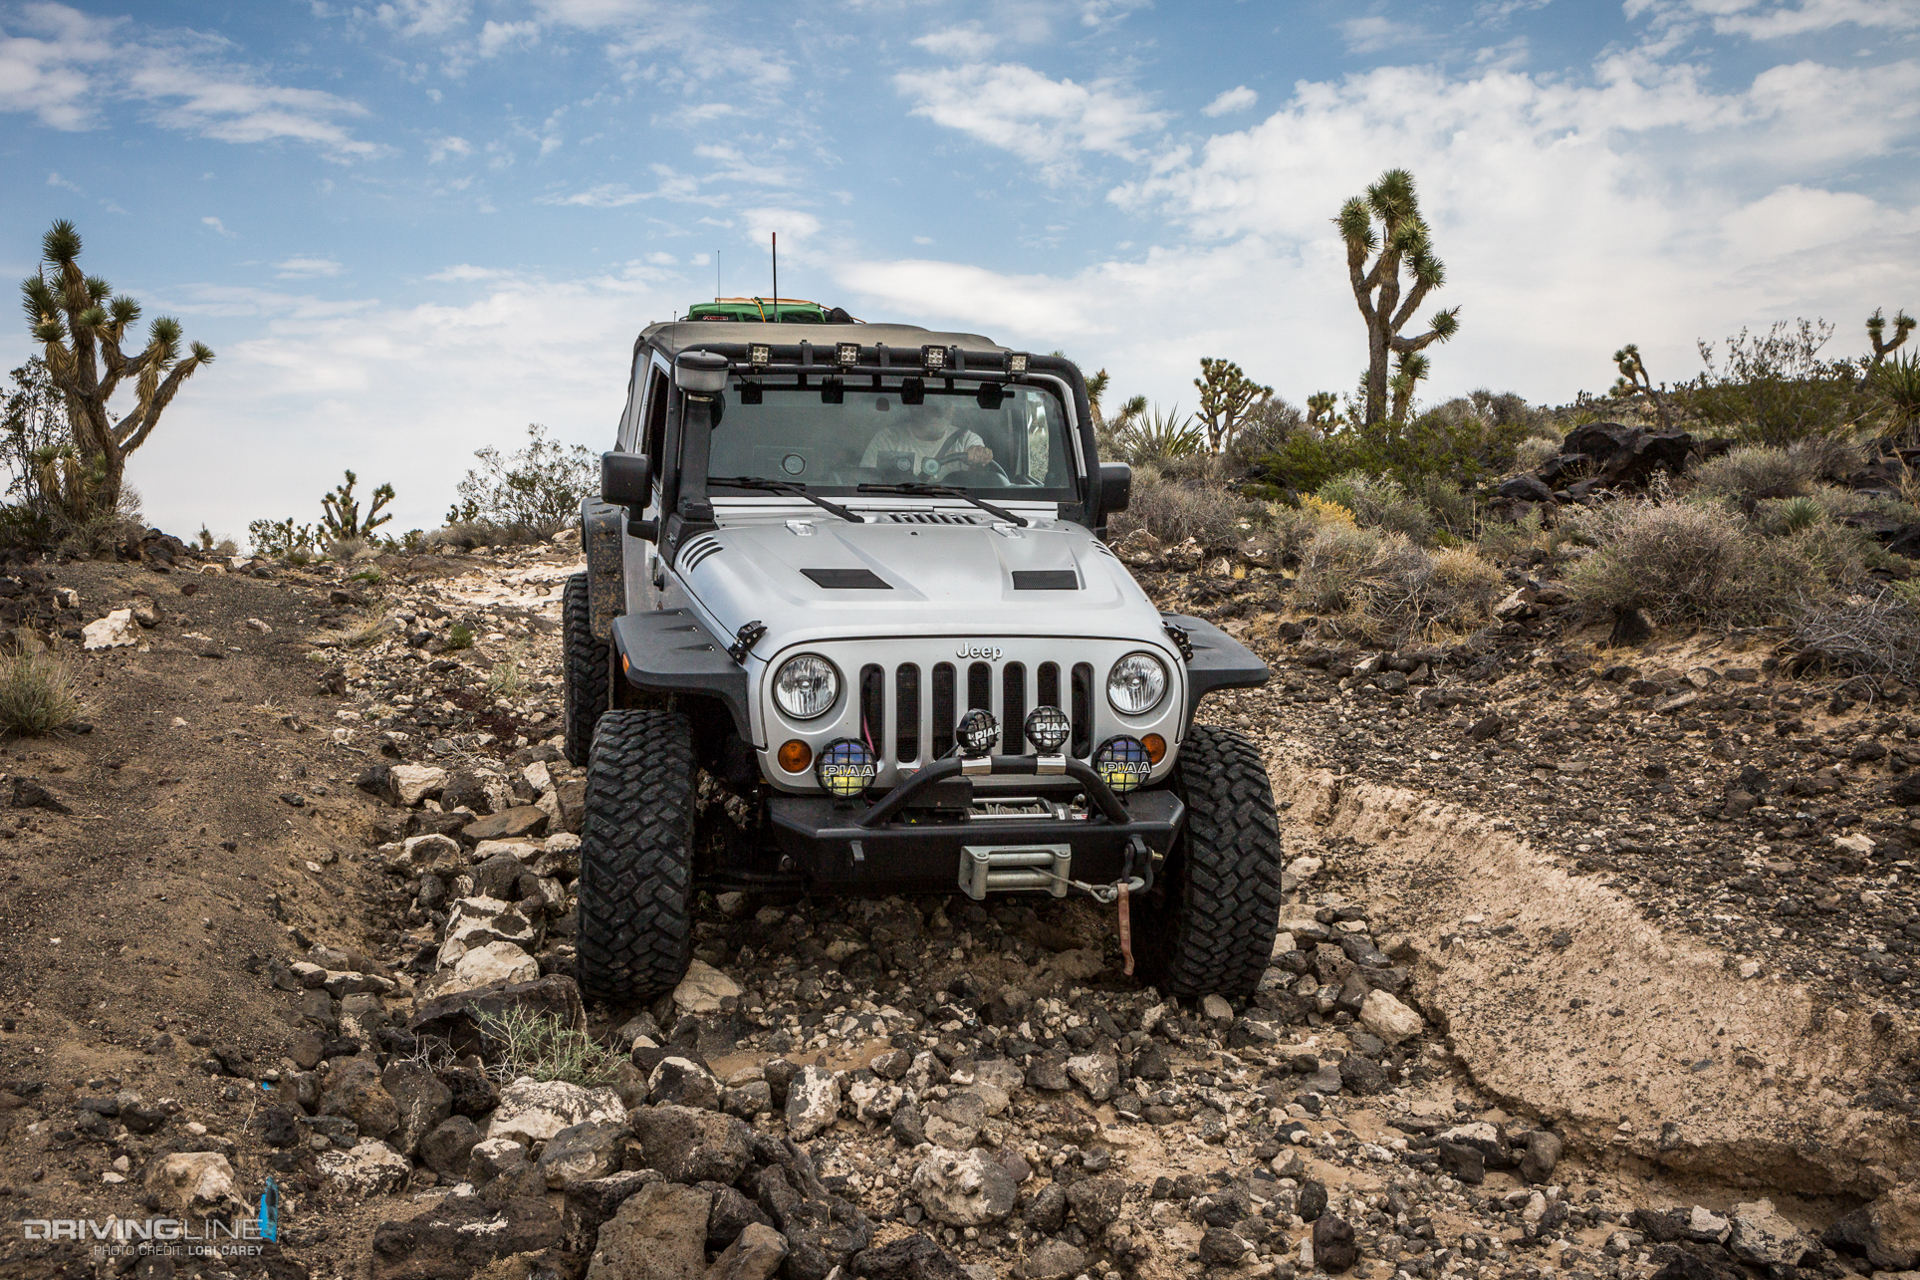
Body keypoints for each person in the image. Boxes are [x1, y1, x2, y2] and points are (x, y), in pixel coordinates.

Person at [860, 402, 993, 481]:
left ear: (953, 409)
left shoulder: (966, 439)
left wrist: (979, 455)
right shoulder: (888, 439)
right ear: (916, 408)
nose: (939, 411)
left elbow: (978, 453)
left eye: (946, 403)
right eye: (933, 405)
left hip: (954, 506)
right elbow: (865, 481)